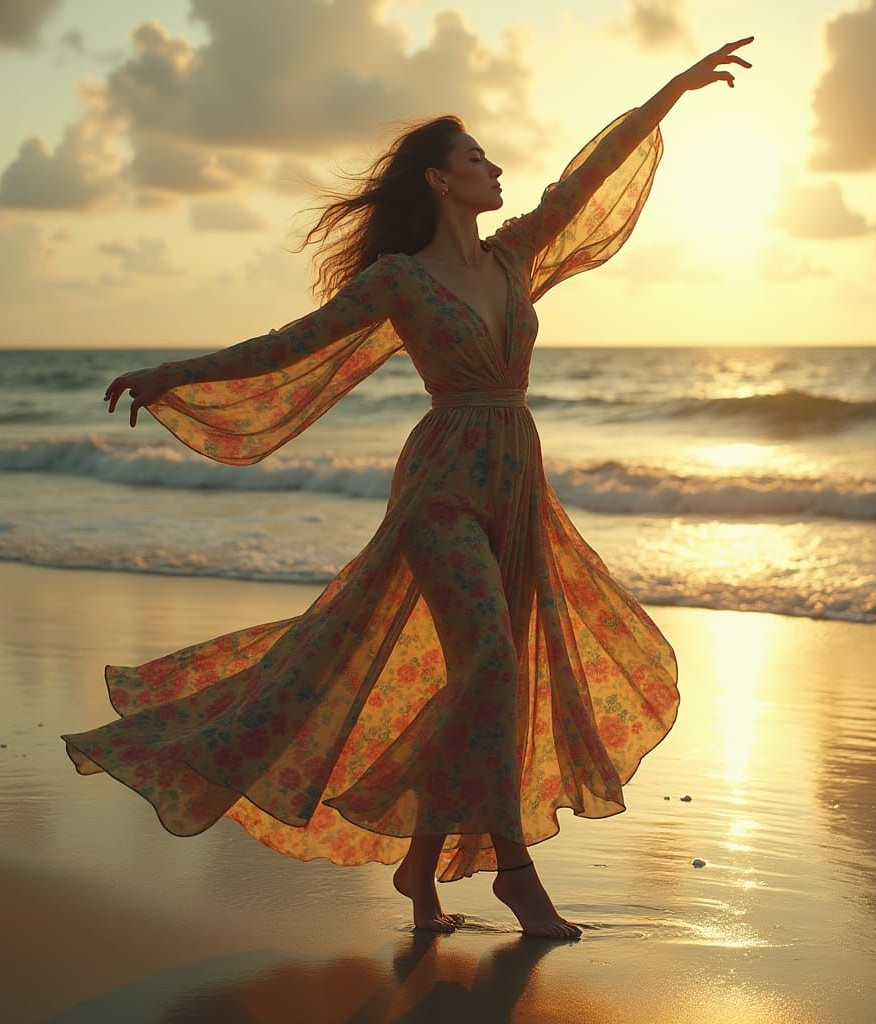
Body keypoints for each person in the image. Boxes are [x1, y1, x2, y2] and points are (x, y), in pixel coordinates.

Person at [62, 37, 754, 940]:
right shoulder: (398, 280)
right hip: (441, 490)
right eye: (475, 157)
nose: (495, 167)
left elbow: (581, 187)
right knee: (494, 666)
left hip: (516, 484)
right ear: (437, 179)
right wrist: (173, 373)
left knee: (487, 681)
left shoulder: (512, 259)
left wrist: (671, 93)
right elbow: (291, 343)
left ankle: (422, 867)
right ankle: (515, 873)